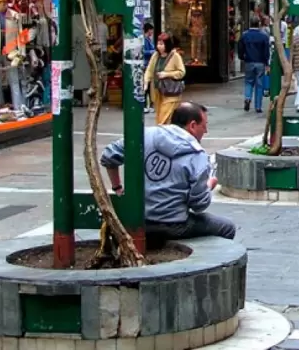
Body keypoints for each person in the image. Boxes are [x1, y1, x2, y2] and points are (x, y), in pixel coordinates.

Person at [101, 102, 236, 241]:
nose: (206, 131)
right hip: (173, 225)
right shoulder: (197, 156)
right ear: (193, 125)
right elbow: (199, 205)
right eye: (204, 125)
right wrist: (208, 185)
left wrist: (117, 187)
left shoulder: (145, 135)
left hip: (137, 218)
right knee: (227, 228)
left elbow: (108, 156)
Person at [145, 33, 186, 125]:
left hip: (170, 92)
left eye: (162, 44)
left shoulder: (175, 56)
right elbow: (149, 70)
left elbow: (181, 72)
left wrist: (167, 74)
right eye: (158, 44)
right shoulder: (155, 55)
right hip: (157, 91)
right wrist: (146, 81)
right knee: (160, 117)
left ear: (167, 45)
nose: (159, 47)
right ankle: (166, 136)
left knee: (163, 119)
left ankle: (160, 135)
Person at [237, 17, 271, 113]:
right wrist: (266, 62)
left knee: (248, 82)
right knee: (259, 85)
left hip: (249, 61)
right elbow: (266, 51)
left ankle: (247, 98)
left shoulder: (245, 35)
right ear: (259, 24)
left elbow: (240, 48)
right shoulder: (264, 36)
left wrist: (242, 57)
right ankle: (258, 106)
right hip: (260, 62)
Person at [143, 23, 155, 114]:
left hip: (148, 64)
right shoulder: (145, 40)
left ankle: (149, 105)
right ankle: (145, 105)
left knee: (148, 86)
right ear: (149, 30)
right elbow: (143, 51)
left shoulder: (148, 39)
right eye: (151, 30)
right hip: (146, 65)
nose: (152, 32)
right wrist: (152, 51)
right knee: (146, 86)